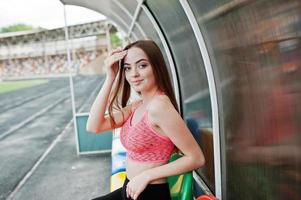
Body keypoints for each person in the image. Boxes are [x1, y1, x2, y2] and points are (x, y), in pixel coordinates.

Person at [87, 40, 205, 200]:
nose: (133, 74)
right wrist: (110, 77)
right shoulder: (138, 106)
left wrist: (147, 175)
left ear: (156, 67)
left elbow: (196, 158)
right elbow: (94, 126)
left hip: (149, 194)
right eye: (128, 68)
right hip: (129, 189)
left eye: (142, 65)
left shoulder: (159, 107)